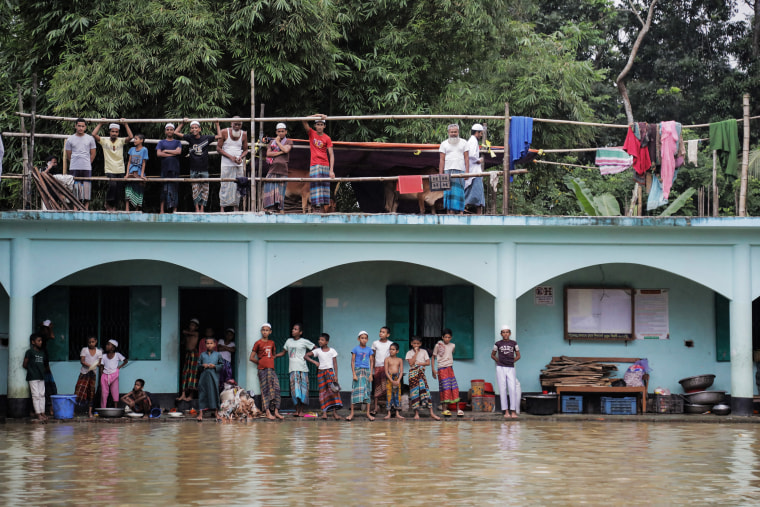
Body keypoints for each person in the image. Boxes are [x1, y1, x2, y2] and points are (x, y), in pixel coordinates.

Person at [175, 119, 220, 213]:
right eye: (192, 128)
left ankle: (202, 208)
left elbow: (219, 136)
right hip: (193, 168)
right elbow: (176, 132)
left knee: (205, 189)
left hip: (204, 168)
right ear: (190, 130)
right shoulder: (189, 138)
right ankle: (197, 208)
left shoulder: (206, 138)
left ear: (200, 129)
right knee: (195, 189)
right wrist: (183, 123)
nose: (194, 129)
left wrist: (217, 124)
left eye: (196, 127)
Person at [92, 118, 134, 211]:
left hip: (120, 168)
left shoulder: (121, 141)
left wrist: (126, 124)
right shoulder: (104, 140)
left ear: (118, 133)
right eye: (112, 131)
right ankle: (108, 203)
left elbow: (131, 137)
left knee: (118, 189)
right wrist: (100, 124)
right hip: (109, 168)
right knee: (113, 185)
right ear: (109, 132)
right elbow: (93, 134)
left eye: (116, 132)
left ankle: (114, 207)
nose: (114, 133)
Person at [250, 323, 285, 420]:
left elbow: (273, 355)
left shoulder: (272, 343)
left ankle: (276, 411)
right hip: (262, 370)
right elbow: (251, 358)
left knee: (276, 389)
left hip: (271, 370)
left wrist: (269, 361)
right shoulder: (258, 343)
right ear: (261, 331)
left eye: (267, 330)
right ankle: (267, 412)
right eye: (263, 330)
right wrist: (260, 362)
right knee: (265, 390)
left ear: (270, 332)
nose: (265, 332)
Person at [300, 114, 334, 213]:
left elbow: (331, 154)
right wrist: (318, 115)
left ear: (324, 126)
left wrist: (331, 170)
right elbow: (303, 119)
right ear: (315, 126)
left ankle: (323, 209)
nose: (319, 126)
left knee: (324, 187)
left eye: (321, 124)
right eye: (317, 124)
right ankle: (315, 208)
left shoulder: (327, 138)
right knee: (314, 186)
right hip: (314, 164)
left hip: (325, 165)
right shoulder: (311, 133)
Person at [306, 333, 343, 420]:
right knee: (322, 392)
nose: (320, 341)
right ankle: (324, 413)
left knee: (333, 392)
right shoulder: (317, 351)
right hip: (321, 373)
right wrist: (314, 362)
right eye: (319, 340)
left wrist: (336, 376)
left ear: (327, 342)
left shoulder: (332, 351)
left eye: (322, 340)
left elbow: (335, 364)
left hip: (330, 373)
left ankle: (335, 413)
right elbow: (306, 356)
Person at [282, 323, 315, 417]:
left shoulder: (304, 341)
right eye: (293, 328)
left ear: (300, 332)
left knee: (304, 390)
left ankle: (301, 411)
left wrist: (308, 356)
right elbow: (283, 352)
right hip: (292, 369)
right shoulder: (288, 341)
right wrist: (274, 356)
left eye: (296, 329)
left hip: (303, 369)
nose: (293, 330)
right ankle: (297, 410)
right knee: (294, 391)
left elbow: (315, 349)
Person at [217, 117, 249, 211]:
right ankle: (222, 208)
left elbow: (246, 150)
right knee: (225, 184)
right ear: (231, 123)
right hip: (226, 164)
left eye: (239, 124)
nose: (237, 126)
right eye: (235, 124)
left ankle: (236, 208)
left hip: (238, 164)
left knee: (238, 185)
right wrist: (231, 157)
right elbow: (218, 148)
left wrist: (241, 157)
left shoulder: (244, 134)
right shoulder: (224, 132)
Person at [65, 118, 96, 209]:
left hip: (86, 166)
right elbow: (68, 154)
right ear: (75, 126)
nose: (80, 128)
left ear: (85, 127)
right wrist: (74, 161)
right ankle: (75, 206)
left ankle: (86, 207)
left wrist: (88, 162)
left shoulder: (90, 138)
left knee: (86, 186)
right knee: (75, 186)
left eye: (83, 126)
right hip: (74, 166)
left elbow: (93, 153)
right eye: (79, 126)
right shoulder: (70, 139)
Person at [438, 123, 469, 215]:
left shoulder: (464, 143)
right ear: (448, 132)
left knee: (460, 192)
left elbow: (467, 158)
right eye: (451, 132)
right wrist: (441, 173)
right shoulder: (444, 144)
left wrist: (467, 172)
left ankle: (460, 211)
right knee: (449, 192)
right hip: (448, 171)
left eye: (455, 132)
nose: (453, 134)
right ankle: (449, 211)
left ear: (458, 132)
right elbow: (442, 159)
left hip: (460, 170)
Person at [406, 337, 440, 420]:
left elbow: (428, 363)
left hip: (421, 375)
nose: (416, 345)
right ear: (411, 344)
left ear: (420, 344)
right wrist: (416, 353)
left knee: (426, 392)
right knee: (415, 394)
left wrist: (419, 363)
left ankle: (431, 413)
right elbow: (411, 363)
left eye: (418, 344)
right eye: (414, 343)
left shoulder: (424, 352)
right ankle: (416, 413)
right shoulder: (409, 353)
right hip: (413, 375)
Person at [491, 325, 521, 419]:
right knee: (502, 388)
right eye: (503, 332)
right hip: (500, 368)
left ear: (510, 333)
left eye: (507, 332)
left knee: (512, 388)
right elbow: (492, 355)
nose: (505, 334)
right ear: (501, 334)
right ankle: (506, 411)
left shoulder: (514, 343)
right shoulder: (497, 344)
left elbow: (518, 355)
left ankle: (513, 411)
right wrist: (498, 361)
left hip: (510, 368)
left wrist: (512, 361)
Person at [262, 122, 293, 213]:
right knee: (269, 189)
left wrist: (278, 142)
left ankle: (278, 211)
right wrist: (280, 152)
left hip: (283, 171)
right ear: (276, 132)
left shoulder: (288, 141)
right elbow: (268, 154)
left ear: (286, 132)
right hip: (272, 170)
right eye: (279, 131)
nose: (280, 133)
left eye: (282, 131)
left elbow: (286, 149)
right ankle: (269, 209)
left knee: (280, 193)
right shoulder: (271, 142)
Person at [432, 328, 462, 416]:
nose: (447, 339)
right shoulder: (438, 345)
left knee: (454, 387)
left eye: (449, 337)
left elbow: (450, 353)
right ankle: (444, 408)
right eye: (445, 337)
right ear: (442, 337)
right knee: (445, 388)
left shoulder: (453, 345)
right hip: (441, 369)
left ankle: (458, 409)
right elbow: (433, 357)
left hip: (450, 368)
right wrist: (433, 370)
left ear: (451, 338)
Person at [347, 330, 374, 421]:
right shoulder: (355, 349)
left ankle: (367, 413)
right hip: (358, 371)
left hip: (367, 371)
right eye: (362, 338)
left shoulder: (369, 350)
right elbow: (352, 361)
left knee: (367, 391)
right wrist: (354, 373)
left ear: (367, 339)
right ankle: (352, 414)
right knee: (355, 391)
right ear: (359, 339)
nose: (364, 340)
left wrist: (371, 374)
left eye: (365, 338)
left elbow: (371, 361)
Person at [156, 123, 182, 214]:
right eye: (168, 129)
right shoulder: (161, 142)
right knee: (163, 189)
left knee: (175, 189)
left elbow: (178, 152)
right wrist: (173, 153)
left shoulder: (177, 142)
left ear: (173, 131)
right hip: (164, 169)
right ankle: (162, 210)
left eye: (171, 129)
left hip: (175, 169)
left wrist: (166, 151)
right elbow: (159, 154)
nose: (169, 131)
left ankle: (174, 210)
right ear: (165, 131)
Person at [197, 337, 224, 421]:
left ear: (214, 344)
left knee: (215, 392)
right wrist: (202, 366)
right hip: (204, 377)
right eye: (207, 343)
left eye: (211, 343)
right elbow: (198, 365)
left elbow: (222, 365)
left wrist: (215, 366)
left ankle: (216, 412)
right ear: (205, 345)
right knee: (202, 393)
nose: (209, 345)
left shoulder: (218, 354)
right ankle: (201, 413)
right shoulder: (202, 355)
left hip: (214, 377)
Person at [75, 336, 102, 417]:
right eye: (89, 342)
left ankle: (90, 412)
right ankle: (74, 410)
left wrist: (95, 366)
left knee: (91, 392)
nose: (91, 343)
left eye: (92, 342)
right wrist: (90, 365)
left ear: (96, 342)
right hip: (84, 373)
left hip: (92, 374)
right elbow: (82, 361)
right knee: (79, 391)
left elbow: (99, 363)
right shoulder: (84, 350)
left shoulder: (99, 352)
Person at [23, 333, 48, 421]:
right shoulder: (29, 352)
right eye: (38, 341)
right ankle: (38, 413)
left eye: (41, 341)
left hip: (41, 377)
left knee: (42, 395)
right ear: (33, 342)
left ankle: (43, 412)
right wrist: (32, 370)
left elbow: (43, 365)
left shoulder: (42, 353)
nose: (40, 342)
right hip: (33, 377)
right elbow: (25, 364)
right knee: (35, 395)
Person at [37, 320, 58, 416]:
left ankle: (51, 408)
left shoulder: (43, 339)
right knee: (46, 389)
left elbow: (52, 336)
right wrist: (49, 328)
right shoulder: (40, 337)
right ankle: (47, 409)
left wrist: (49, 328)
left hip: (46, 365)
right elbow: (52, 336)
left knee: (51, 388)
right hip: (42, 367)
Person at [371, 326, 393, 415]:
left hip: (387, 368)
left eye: (383, 332)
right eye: (380, 331)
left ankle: (389, 408)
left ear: (388, 335)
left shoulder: (390, 344)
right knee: (377, 387)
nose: (381, 333)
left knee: (387, 387)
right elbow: (373, 356)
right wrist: (373, 367)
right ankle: (376, 407)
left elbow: (392, 356)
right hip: (377, 367)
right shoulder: (375, 343)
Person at [100, 339, 127, 409]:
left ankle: (115, 408)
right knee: (104, 394)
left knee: (115, 392)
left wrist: (119, 367)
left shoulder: (117, 355)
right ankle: (103, 408)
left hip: (114, 375)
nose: (106, 346)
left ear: (113, 347)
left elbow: (125, 361)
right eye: (107, 344)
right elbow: (101, 366)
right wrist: (101, 376)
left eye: (109, 344)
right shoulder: (104, 356)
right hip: (105, 376)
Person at [177, 318, 200, 402]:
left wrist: (184, 331)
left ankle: (191, 395)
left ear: (196, 327)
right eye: (191, 325)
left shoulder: (195, 333)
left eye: (193, 325)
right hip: (188, 354)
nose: (191, 326)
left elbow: (185, 332)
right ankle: (183, 394)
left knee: (192, 374)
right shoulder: (188, 334)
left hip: (194, 354)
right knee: (185, 373)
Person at [465, 123, 485, 215]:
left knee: (472, 191)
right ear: (477, 132)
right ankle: (478, 213)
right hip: (474, 171)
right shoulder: (473, 141)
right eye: (481, 133)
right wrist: (478, 160)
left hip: (474, 170)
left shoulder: (472, 141)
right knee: (477, 192)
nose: (481, 135)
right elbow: (471, 155)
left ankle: (472, 210)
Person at [125, 134, 148, 212]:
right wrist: (127, 173)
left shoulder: (144, 149)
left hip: (139, 171)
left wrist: (141, 174)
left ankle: (136, 209)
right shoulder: (131, 149)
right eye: (134, 139)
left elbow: (144, 163)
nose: (134, 140)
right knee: (128, 189)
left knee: (139, 189)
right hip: (131, 171)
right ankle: (127, 209)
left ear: (141, 140)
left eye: (136, 139)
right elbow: (129, 162)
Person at [384, 343, 404, 420]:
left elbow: (401, 371)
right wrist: (391, 380)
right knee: (389, 395)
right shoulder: (387, 359)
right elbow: (386, 371)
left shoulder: (399, 360)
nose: (391, 351)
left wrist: (398, 380)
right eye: (390, 349)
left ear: (397, 351)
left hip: (397, 378)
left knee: (397, 395)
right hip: (389, 378)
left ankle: (397, 413)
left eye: (393, 349)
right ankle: (388, 413)